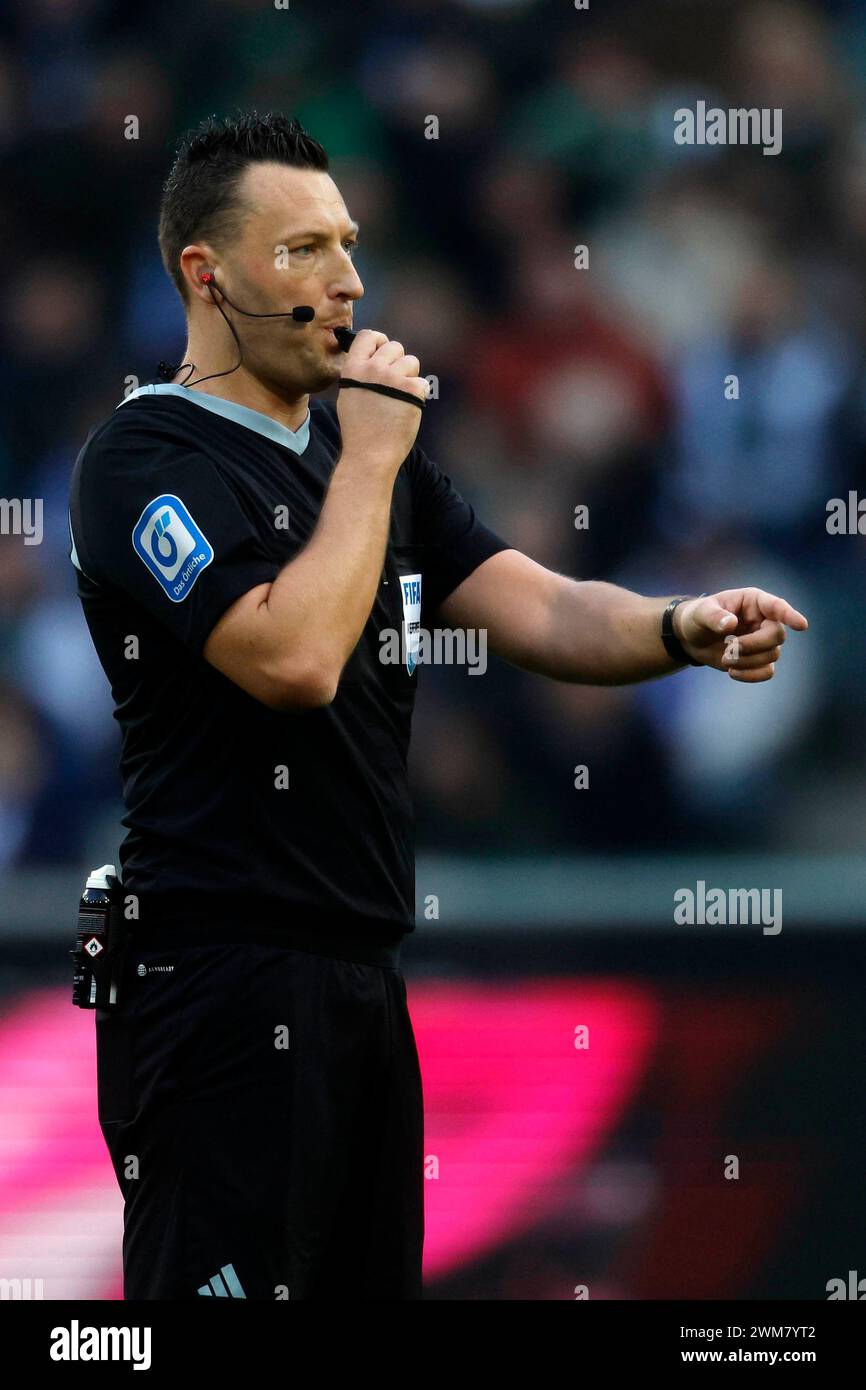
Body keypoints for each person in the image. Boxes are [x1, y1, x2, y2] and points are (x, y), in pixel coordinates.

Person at [68, 112, 808, 1301]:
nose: (349, 279)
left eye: (349, 243)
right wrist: (365, 460)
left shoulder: (374, 461)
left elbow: (548, 612)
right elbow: (290, 659)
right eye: (303, 248)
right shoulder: (148, 459)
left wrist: (682, 627)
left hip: (361, 973)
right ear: (204, 275)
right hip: (213, 978)